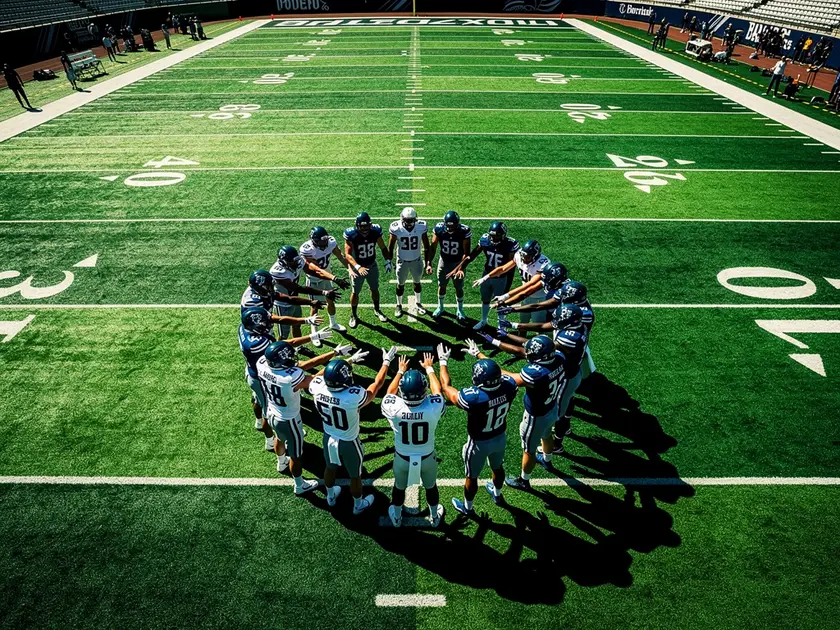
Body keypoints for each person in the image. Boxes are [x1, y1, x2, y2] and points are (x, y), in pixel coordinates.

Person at [463, 335, 566, 491]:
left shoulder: (536, 374)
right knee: (546, 434)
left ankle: (524, 480)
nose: (529, 355)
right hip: (552, 407)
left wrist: (480, 356)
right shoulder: (559, 358)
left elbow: (507, 377)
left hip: (536, 416)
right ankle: (547, 459)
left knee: (529, 450)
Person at [257, 339, 354, 494]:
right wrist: (345, 363)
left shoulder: (262, 364)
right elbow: (315, 380)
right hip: (289, 420)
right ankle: (299, 485)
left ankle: (281, 462)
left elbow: (304, 366)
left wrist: (334, 353)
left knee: (279, 438)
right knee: (296, 455)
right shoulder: (290, 378)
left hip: (272, 411)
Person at [309, 347, 397, 514]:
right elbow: (376, 385)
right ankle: (358, 504)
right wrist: (386, 362)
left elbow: (317, 377)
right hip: (349, 442)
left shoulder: (317, 387)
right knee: (355, 476)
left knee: (330, 468)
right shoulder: (352, 396)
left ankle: (330, 496)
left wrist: (347, 361)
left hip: (328, 437)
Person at [437, 345, 519, 515]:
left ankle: (468, 508)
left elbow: (446, 388)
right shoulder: (509, 386)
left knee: (472, 477)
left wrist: (443, 362)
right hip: (500, 437)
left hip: (478, 444)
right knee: (497, 467)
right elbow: (502, 375)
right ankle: (497, 494)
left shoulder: (474, 398)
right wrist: (480, 355)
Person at [239, 306, 333, 452]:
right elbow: (288, 348)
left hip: (252, 372)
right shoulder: (259, 345)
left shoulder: (244, 329)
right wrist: (314, 338)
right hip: (260, 378)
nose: (268, 324)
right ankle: (270, 440)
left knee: (258, 399)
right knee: (267, 411)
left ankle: (259, 422)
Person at [381, 353, 447, 528]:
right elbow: (437, 391)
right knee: (431, 487)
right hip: (427, 458)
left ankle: (396, 517)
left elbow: (389, 393)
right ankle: (434, 516)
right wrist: (429, 368)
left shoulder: (394, 408)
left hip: (402, 459)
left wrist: (400, 371)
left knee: (399, 487)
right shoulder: (433, 407)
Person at [449, 221, 519, 331]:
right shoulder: (485, 240)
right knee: (485, 298)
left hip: (501, 277)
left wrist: (508, 284)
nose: (494, 238)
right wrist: (461, 267)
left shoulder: (510, 244)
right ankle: (483, 320)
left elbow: (511, 267)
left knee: (501, 302)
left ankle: (501, 325)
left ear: (503, 235)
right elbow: (473, 255)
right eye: (493, 236)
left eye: (497, 236)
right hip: (487, 274)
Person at [270, 245, 344, 340]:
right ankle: (281, 348)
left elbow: (313, 272)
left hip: (295, 299)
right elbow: (297, 288)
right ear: (284, 261)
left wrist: (333, 278)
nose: (296, 262)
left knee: (297, 324)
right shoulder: (277, 271)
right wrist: (324, 292)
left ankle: (298, 346)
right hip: (283, 304)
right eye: (292, 261)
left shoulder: (298, 261)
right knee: (284, 334)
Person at [299, 226, 353, 346]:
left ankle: (333, 323)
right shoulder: (307, 249)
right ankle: (314, 332)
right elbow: (317, 270)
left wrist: (350, 270)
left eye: (325, 240)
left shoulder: (331, 242)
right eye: (321, 241)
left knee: (331, 300)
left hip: (328, 277)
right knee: (315, 306)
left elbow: (340, 256)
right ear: (314, 240)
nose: (324, 243)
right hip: (314, 281)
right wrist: (334, 278)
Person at [343, 212, 392, 328]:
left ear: (370, 225)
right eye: (362, 226)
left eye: (366, 226)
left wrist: (388, 260)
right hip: (357, 267)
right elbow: (347, 255)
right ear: (357, 225)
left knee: (374, 289)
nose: (364, 229)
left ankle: (377, 310)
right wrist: (358, 267)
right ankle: (354, 315)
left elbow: (383, 247)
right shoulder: (351, 235)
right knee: (355, 292)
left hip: (371, 265)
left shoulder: (375, 232)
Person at [388, 207, 431, 320]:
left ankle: (418, 303)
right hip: (402, 261)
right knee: (400, 284)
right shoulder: (396, 228)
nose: (409, 222)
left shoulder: (421, 226)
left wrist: (428, 263)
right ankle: (398, 305)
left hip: (417, 260)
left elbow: (427, 247)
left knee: (417, 282)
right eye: (407, 220)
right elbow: (391, 247)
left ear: (415, 219)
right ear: (402, 219)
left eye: (411, 220)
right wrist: (389, 260)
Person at [428, 210, 471, 322]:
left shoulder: (463, 231)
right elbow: (433, 247)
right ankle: (440, 307)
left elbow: (466, 253)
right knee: (442, 285)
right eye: (448, 226)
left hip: (458, 261)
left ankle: (460, 310)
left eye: (453, 226)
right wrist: (429, 263)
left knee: (458, 287)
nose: (450, 228)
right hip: (444, 261)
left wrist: (461, 268)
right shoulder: (439, 229)